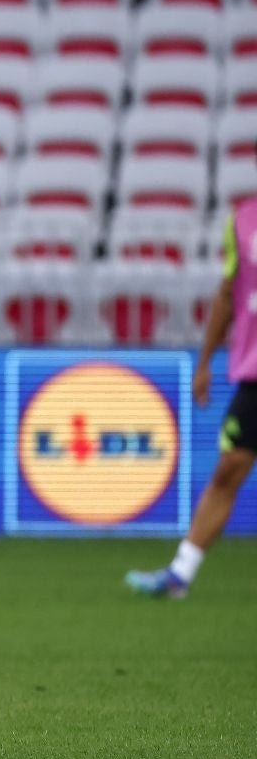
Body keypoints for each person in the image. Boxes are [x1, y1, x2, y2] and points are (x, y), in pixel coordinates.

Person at [127, 203, 257, 598]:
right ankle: (180, 575)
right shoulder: (243, 220)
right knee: (229, 468)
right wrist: (204, 362)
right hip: (254, 372)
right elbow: (228, 292)